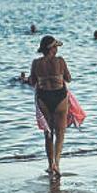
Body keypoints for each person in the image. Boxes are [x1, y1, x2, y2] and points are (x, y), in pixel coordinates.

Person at [29, 35, 72, 176]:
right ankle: (57, 164)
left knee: (48, 133)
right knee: (60, 134)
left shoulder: (36, 63)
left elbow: (32, 82)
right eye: (56, 46)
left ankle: (49, 165)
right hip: (60, 97)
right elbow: (68, 78)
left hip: (44, 98)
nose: (57, 49)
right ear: (52, 48)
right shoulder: (60, 61)